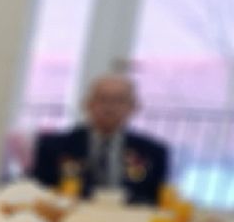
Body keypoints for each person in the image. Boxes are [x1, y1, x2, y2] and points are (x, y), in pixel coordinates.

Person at [32, 73, 170, 205]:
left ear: (134, 107)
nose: (109, 107)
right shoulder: (54, 147)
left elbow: (154, 202)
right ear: (87, 104)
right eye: (102, 99)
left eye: (119, 101)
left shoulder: (153, 152)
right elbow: (39, 192)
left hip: (128, 221)